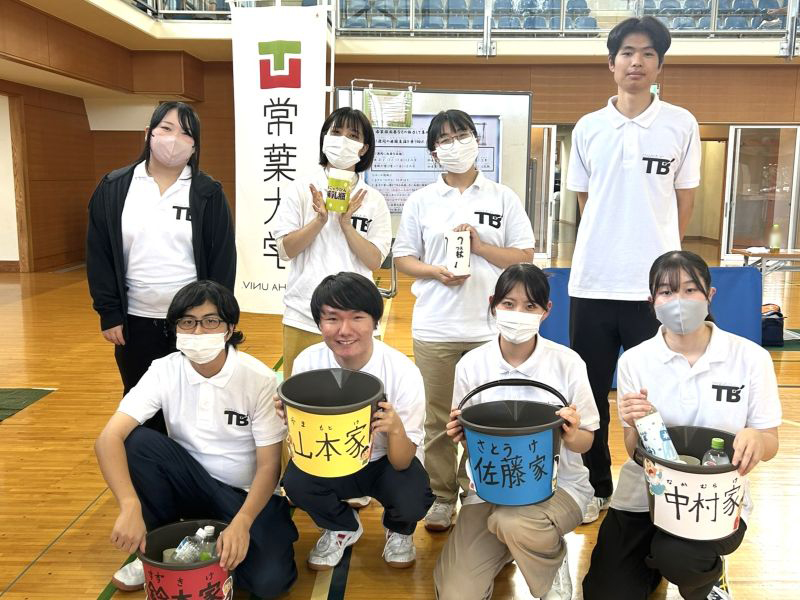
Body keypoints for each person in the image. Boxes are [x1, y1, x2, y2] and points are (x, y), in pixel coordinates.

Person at [581, 251, 781, 600]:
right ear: (652, 302)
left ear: (710, 295)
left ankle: (707, 576)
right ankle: (652, 567)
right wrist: (638, 424)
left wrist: (756, 439)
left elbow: (770, 441)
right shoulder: (634, 361)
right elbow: (632, 449)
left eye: (690, 289)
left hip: (713, 500)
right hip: (645, 497)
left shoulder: (751, 358)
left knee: (681, 558)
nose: (679, 300)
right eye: (666, 292)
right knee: (606, 592)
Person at [566, 16, 701, 522]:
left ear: (660, 65)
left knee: (655, 394)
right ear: (611, 63)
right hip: (593, 283)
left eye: (647, 54)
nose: (636, 62)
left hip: (655, 292)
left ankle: (658, 483)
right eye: (627, 52)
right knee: (591, 392)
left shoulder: (680, 123)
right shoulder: (589, 127)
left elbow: (683, 202)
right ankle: (596, 486)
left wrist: (663, 262)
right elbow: (585, 201)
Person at [95, 280, 297, 597]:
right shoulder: (164, 370)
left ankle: (209, 545)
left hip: (243, 495)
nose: (198, 331)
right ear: (176, 329)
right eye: (187, 322)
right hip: (189, 483)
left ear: (229, 329)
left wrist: (243, 522)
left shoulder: (258, 379)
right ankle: (158, 541)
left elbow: (269, 466)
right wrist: (129, 504)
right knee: (138, 444)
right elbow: (108, 439)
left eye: (210, 321)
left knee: (270, 583)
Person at [393, 109, 535, 531]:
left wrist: (481, 246)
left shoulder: (502, 197)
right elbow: (403, 258)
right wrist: (436, 271)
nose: (455, 145)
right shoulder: (421, 200)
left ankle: (478, 488)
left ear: (476, 140)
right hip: (435, 326)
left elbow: (524, 255)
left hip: (490, 328)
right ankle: (441, 495)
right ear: (433, 152)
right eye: (444, 139)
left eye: (462, 135)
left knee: (485, 415)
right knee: (438, 418)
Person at [435, 264, 598, 600]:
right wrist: (460, 433)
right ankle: (516, 546)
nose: (518, 314)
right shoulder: (472, 364)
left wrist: (571, 433)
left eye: (530, 306)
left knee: (513, 523)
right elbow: (466, 436)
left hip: (557, 489)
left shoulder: (568, 363)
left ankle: (549, 560)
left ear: (546, 310)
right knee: (457, 593)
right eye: (509, 304)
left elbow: (586, 441)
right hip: (489, 490)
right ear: (493, 304)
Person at [86, 101, 236, 433]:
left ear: (195, 145)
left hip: (192, 321)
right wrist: (109, 313)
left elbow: (223, 257)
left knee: (195, 399)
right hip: (135, 320)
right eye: (166, 128)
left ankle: (190, 463)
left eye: (186, 133)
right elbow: (99, 253)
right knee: (142, 401)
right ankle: (146, 461)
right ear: (148, 133)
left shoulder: (207, 192)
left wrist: (218, 318)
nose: (174, 139)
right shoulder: (115, 187)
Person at [278, 272, 434, 570]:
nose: (344, 330)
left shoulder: (402, 371)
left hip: (384, 462)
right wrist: (291, 416)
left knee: (413, 495)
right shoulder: (308, 362)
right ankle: (342, 526)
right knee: (296, 482)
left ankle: (399, 529)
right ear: (319, 323)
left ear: (375, 321)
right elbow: (301, 442)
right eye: (332, 318)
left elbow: (402, 461)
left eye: (357, 317)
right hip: (330, 457)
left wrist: (395, 428)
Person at [271, 107, 392, 379]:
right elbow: (285, 250)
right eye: (336, 132)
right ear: (325, 138)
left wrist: (347, 225)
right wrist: (319, 220)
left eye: (353, 136)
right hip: (304, 314)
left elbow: (374, 260)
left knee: (357, 393)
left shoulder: (373, 199)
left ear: (364, 148)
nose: (343, 140)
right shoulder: (302, 189)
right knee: (302, 394)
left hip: (357, 317)